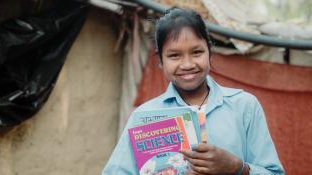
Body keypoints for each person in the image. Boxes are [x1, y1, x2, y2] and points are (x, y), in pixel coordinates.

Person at [103, 8, 285, 175]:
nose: (188, 64)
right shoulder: (145, 116)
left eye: (197, 52)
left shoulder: (244, 106)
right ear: (160, 60)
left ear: (210, 52)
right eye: (174, 55)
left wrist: (237, 168)